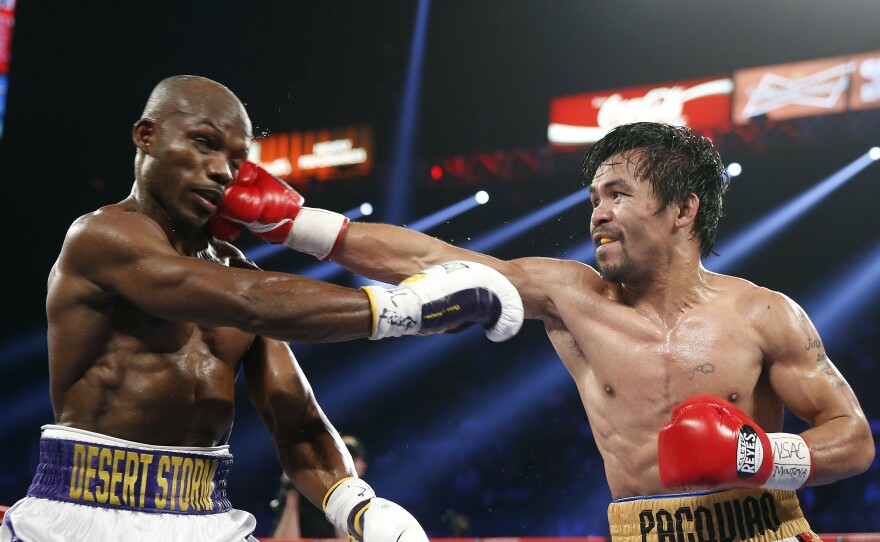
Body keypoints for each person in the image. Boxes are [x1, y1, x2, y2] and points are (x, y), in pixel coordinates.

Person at [212, 121, 875, 541]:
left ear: (683, 208)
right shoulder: (572, 297)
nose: (599, 213)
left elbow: (853, 439)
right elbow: (433, 263)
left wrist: (761, 457)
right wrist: (294, 224)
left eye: (617, 193)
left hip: (760, 531)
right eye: (593, 199)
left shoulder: (764, 313)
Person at [0, 75, 525, 542]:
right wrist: (408, 308)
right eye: (204, 144)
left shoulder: (240, 271)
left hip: (208, 515)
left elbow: (296, 422)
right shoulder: (101, 237)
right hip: (84, 514)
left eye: (236, 160)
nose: (221, 171)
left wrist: (358, 506)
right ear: (147, 137)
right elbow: (247, 303)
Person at [270, 435, 369, 539]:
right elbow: (283, 540)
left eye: (350, 458)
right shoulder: (303, 497)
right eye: (337, 457)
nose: (341, 465)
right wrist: (292, 497)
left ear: (362, 467)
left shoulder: (365, 503)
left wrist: (337, 493)